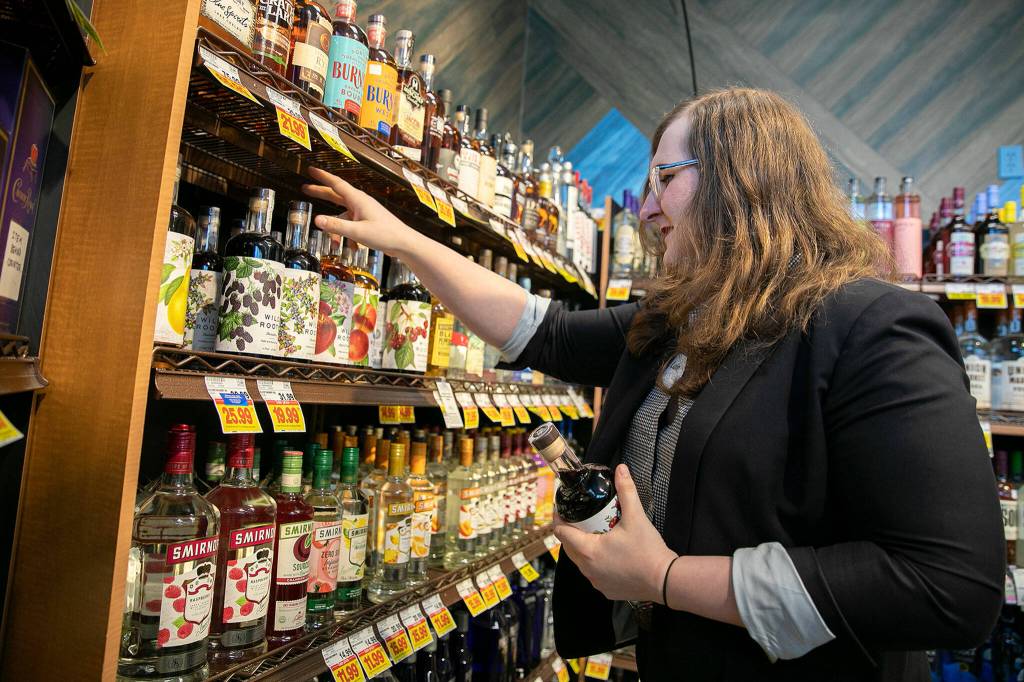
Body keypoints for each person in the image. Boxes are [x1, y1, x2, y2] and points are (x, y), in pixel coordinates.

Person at [302, 87, 1003, 681]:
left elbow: (947, 586)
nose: (644, 209)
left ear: (743, 179)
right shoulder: (684, 321)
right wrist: (406, 241)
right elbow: (541, 331)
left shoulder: (872, 325)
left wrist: (664, 579)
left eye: (665, 179)